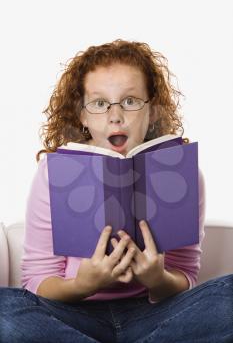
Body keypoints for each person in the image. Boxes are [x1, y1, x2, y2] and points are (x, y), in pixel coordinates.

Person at [0, 39, 232, 343]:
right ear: (82, 115)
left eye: (131, 100)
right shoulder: (52, 174)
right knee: (6, 309)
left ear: (152, 111)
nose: (115, 115)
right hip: (74, 314)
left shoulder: (183, 174)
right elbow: (35, 281)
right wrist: (83, 285)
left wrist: (158, 279)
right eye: (99, 103)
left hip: (154, 317)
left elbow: (185, 275)